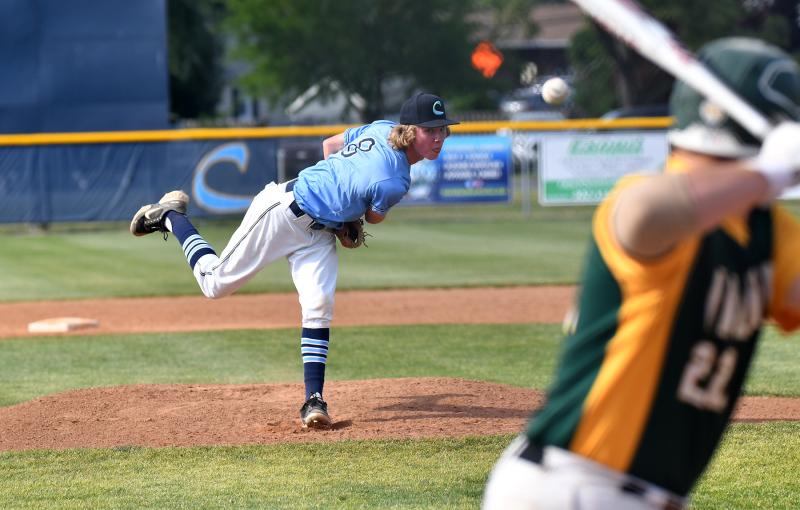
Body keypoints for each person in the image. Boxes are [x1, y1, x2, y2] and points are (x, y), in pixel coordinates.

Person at [483, 37, 800, 509]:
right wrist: (769, 172)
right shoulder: (648, 199)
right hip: (573, 486)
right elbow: (642, 215)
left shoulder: (766, 229)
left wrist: (765, 179)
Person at [129, 92, 458, 429]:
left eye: (442, 130)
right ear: (411, 130)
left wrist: (338, 209)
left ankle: (314, 400)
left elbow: (330, 145)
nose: (438, 138)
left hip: (320, 232)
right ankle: (171, 215)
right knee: (214, 284)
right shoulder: (395, 181)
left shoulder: (380, 128)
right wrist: (344, 215)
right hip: (283, 213)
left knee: (319, 304)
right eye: (429, 130)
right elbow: (371, 219)